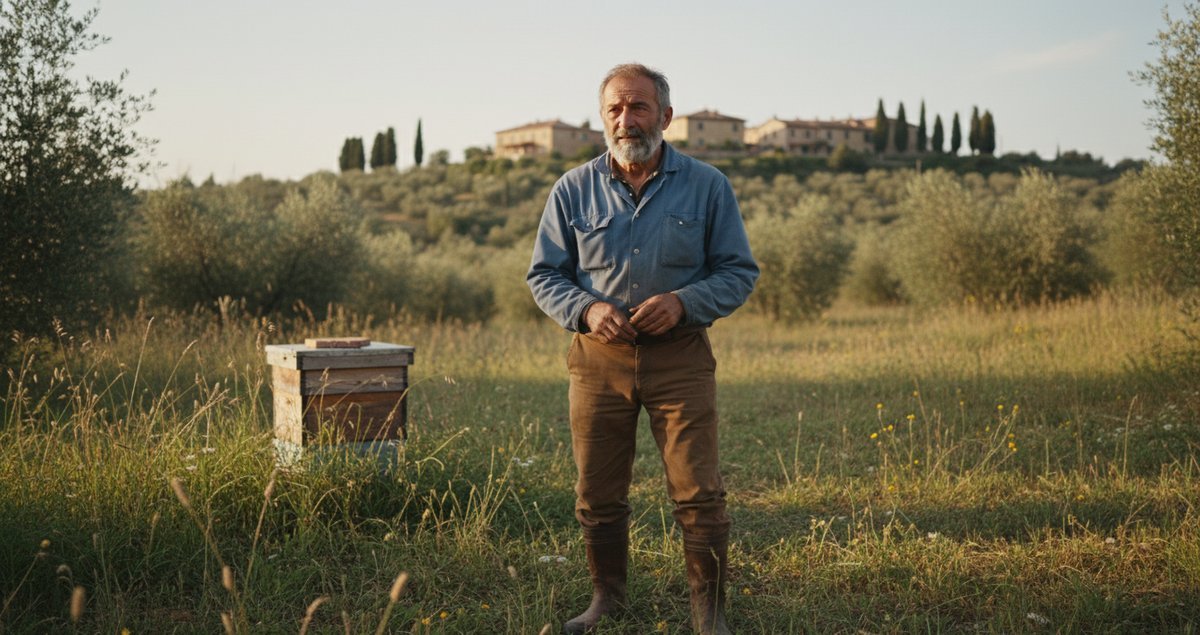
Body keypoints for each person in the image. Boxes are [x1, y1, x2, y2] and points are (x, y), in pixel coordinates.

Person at [527, 63, 758, 635]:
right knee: (597, 491)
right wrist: (587, 310)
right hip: (597, 362)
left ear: (666, 116)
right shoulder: (571, 189)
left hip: (680, 358)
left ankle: (709, 614)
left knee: (698, 491)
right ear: (603, 118)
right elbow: (545, 276)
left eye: (639, 108)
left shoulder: (708, 185)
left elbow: (737, 271)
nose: (626, 120)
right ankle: (607, 601)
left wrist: (684, 301)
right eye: (615, 110)